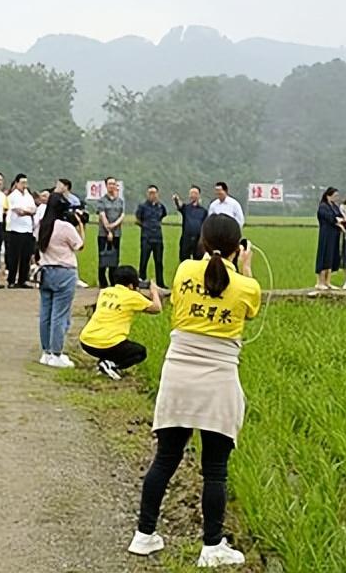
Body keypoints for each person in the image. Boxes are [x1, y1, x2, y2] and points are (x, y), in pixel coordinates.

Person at [127, 214, 258, 567]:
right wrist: (245, 269)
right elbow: (249, 311)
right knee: (215, 469)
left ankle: (144, 535)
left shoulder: (185, 270)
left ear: (202, 241)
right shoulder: (246, 286)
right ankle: (212, 546)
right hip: (219, 380)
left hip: (178, 374)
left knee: (165, 459)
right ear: (237, 247)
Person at [79, 265, 163, 380]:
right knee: (140, 352)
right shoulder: (133, 296)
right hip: (107, 343)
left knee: (115, 346)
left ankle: (105, 363)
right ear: (131, 284)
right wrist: (154, 291)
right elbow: (157, 308)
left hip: (86, 341)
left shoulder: (105, 292)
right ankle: (111, 365)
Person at [37, 192, 85, 368]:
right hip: (64, 272)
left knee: (46, 313)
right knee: (60, 314)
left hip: (45, 271)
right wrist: (80, 225)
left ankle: (46, 352)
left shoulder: (42, 225)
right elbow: (79, 245)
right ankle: (56, 353)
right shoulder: (65, 227)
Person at [5, 174, 37, 289]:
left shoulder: (28, 196)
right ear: (17, 183)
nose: (24, 185)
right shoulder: (13, 196)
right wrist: (28, 211)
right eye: (22, 183)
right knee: (14, 256)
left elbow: (34, 210)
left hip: (27, 229)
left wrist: (26, 211)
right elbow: (19, 211)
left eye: (25, 183)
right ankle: (11, 280)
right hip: (15, 229)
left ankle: (23, 279)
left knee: (26, 256)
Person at [135, 185, 168, 289]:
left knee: (159, 262)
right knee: (144, 261)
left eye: (154, 193)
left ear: (157, 194)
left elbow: (163, 215)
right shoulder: (142, 207)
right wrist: (146, 227)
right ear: (147, 194)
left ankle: (160, 283)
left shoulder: (160, 207)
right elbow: (138, 219)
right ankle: (142, 281)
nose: (152, 195)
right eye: (150, 193)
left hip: (158, 238)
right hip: (146, 238)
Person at [96, 177, 125, 288]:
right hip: (103, 234)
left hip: (117, 233)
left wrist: (113, 226)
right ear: (106, 186)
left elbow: (122, 216)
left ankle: (114, 282)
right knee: (103, 258)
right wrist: (108, 230)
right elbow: (102, 216)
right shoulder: (102, 200)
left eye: (113, 184)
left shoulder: (120, 201)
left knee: (114, 259)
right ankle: (103, 283)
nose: (112, 186)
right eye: (109, 184)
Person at [313, 187, 342, 292]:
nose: (336, 197)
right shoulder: (323, 207)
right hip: (326, 234)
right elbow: (330, 218)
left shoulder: (335, 206)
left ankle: (327, 282)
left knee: (331, 257)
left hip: (334, 234)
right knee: (324, 256)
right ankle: (320, 282)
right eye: (335, 195)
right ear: (328, 195)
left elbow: (340, 216)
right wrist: (337, 221)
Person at [172, 186, 208, 262]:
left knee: (198, 261)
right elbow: (179, 205)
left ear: (199, 195)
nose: (193, 195)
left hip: (198, 240)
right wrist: (176, 199)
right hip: (186, 239)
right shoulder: (185, 208)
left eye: (195, 193)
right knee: (184, 260)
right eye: (191, 193)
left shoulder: (203, 211)